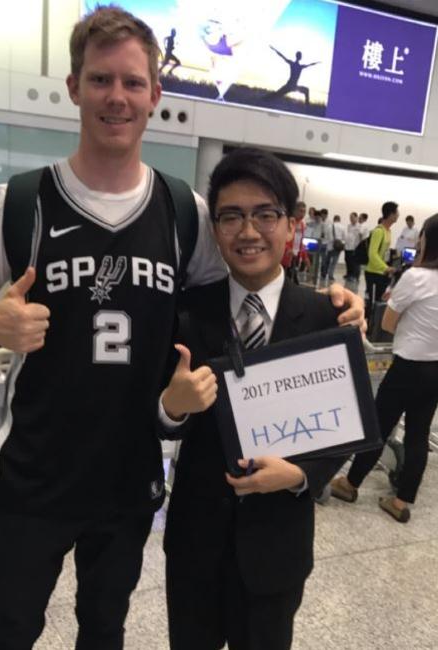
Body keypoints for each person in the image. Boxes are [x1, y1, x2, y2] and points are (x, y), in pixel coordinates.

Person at [0, 7, 363, 650]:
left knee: (105, 631)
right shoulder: (23, 201)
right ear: (74, 87)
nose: (117, 97)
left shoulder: (183, 210)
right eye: (101, 80)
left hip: (130, 478)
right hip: (32, 477)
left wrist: (330, 301)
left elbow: (240, 291)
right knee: (9, 630)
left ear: (155, 96)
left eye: (133, 83)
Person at [161, 148, 349, 650]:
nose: (248, 232)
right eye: (232, 216)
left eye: (265, 214)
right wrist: (173, 406)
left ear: (292, 225)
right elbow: (157, 417)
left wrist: (304, 474)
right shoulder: (185, 312)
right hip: (195, 540)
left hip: (277, 545)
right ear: (215, 228)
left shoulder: (326, 318)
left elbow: (348, 426)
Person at [331, 214, 438, 523]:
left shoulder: (416, 277)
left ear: (426, 241)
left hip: (408, 366)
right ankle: (402, 501)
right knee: (418, 433)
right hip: (435, 370)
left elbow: (388, 323)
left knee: (378, 425)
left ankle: (349, 485)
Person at [364, 201, 399, 317]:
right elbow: (372, 254)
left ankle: (374, 326)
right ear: (390, 214)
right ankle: (368, 326)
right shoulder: (379, 231)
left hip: (382, 273)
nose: (398, 215)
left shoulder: (388, 231)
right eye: (396, 212)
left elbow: (383, 252)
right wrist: (386, 268)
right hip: (373, 273)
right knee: (372, 303)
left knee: (380, 301)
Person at [321, 215, 345, 282]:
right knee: (334, 262)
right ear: (339, 219)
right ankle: (330, 275)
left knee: (327, 261)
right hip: (337, 247)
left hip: (329, 246)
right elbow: (344, 237)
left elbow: (326, 236)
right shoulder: (342, 227)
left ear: (334, 219)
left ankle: (324, 273)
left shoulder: (329, 226)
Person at [344, 211, 361, 281]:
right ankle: (348, 274)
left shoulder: (359, 226)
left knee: (354, 263)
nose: (351, 219)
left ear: (356, 218)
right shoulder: (349, 226)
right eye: (350, 217)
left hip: (355, 247)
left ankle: (355, 276)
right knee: (347, 261)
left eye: (352, 217)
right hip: (347, 246)